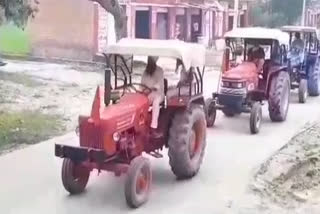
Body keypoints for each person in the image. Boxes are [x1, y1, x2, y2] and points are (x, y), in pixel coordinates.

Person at [141, 56, 164, 138]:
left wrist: (152, 87)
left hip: (158, 94)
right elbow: (142, 84)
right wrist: (143, 90)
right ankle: (141, 124)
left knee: (156, 102)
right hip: (147, 93)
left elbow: (159, 85)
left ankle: (153, 127)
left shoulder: (159, 71)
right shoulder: (145, 72)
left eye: (151, 60)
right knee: (139, 102)